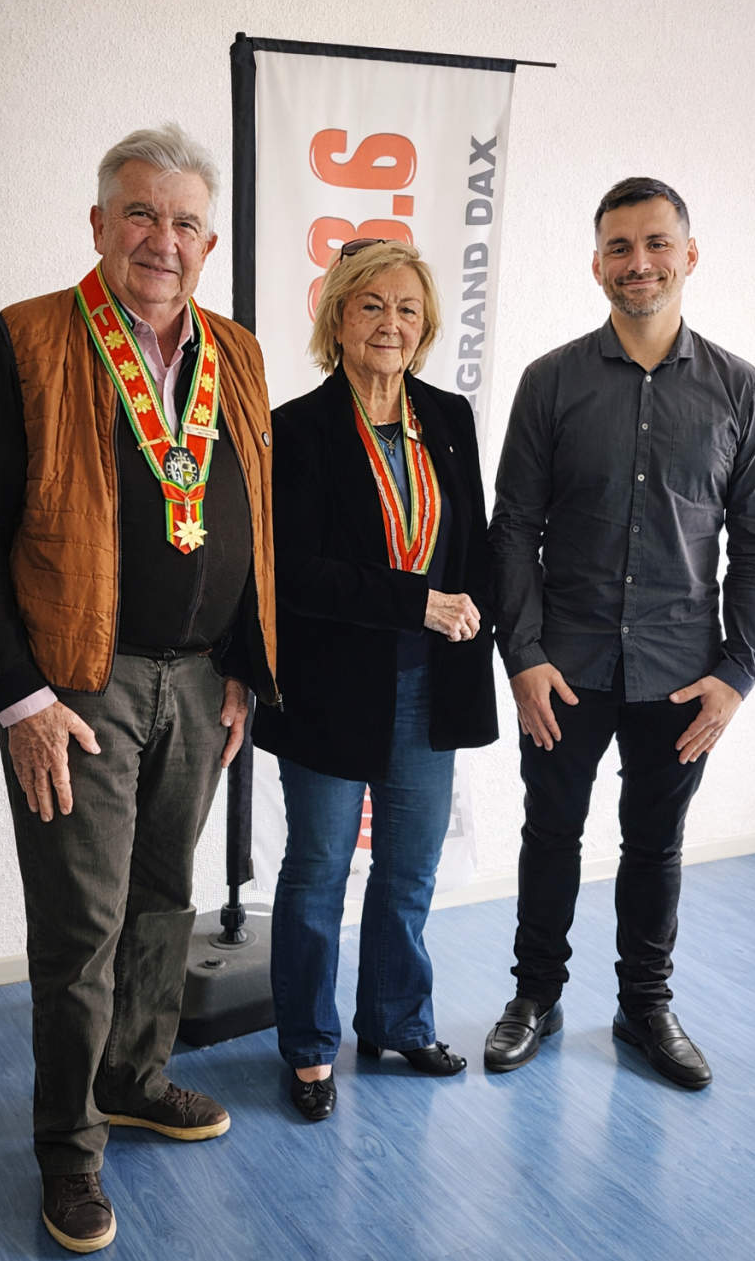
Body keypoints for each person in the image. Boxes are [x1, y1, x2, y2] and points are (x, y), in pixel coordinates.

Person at [0, 124, 277, 1252]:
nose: (161, 240)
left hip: (201, 680)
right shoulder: (28, 339)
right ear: (97, 223)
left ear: (208, 242)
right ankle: (68, 1150)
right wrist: (22, 700)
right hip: (81, 685)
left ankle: (133, 1076)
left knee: (163, 901)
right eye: (140, 214)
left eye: (184, 223)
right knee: (80, 927)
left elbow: (254, 518)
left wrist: (244, 666)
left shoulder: (237, 352)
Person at [485, 178, 755, 1089]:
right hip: (564, 666)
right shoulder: (550, 383)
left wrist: (738, 670)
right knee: (550, 832)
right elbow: (512, 529)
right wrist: (522, 655)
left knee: (655, 844)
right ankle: (534, 996)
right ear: (596, 265)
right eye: (619, 247)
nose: (638, 262)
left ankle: (644, 1006)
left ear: (688, 255)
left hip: (682, 673)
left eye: (655, 243)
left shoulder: (741, 390)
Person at [251, 239, 498, 1120]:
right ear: (337, 318)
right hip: (330, 688)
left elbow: (473, 544)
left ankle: (396, 1020)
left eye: (407, 308)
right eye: (370, 305)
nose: (390, 323)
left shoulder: (449, 417)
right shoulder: (297, 428)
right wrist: (417, 602)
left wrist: (486, 623)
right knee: (318, 870)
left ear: (425, 325)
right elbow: (295, 572)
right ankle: (309, 1047)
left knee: (408, 870)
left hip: (432, 684)